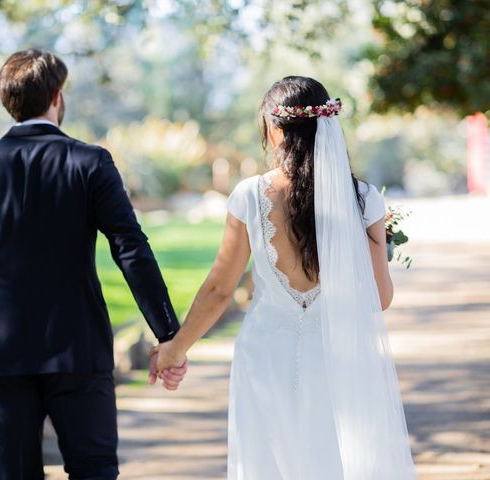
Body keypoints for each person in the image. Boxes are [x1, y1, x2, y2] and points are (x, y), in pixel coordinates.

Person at [0, 49, 187, 480]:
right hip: (78, 347)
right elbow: (131, 248)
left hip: (1, 353)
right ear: (57, 97)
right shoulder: (90, 162)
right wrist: (168, 335)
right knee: (94, 471)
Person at [156, 76, 417, 479]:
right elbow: (379, 297)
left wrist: (175, 349)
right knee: (333, 458)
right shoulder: (364, 198)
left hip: (265, 356)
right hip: (336, 356)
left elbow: (220, 289)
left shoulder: (249, 195)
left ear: (274, 129)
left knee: (268, 460)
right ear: (325, 126)